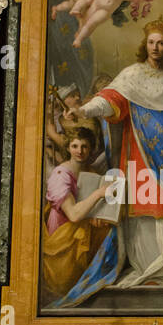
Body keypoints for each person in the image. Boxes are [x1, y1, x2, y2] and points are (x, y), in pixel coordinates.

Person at [58, 18, 163, 306]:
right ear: (144, 45)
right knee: (145, 215)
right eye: (151, 42)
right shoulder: (132, 75)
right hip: (140, 153)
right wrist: (83, 110)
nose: (155, 47)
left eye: (161, 42)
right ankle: (151, 270)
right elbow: (109, 101)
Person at [43, 128, 112, 298]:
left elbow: (93, 209)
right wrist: (98, 194)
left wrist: (99, 218)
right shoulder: (60, 175)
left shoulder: (91, 173)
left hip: (83, 230)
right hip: (64, 235)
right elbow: (73, 215)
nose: (79, 151)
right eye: (75, 146)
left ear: (91, 149)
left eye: (84, 146)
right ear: (67, 148)